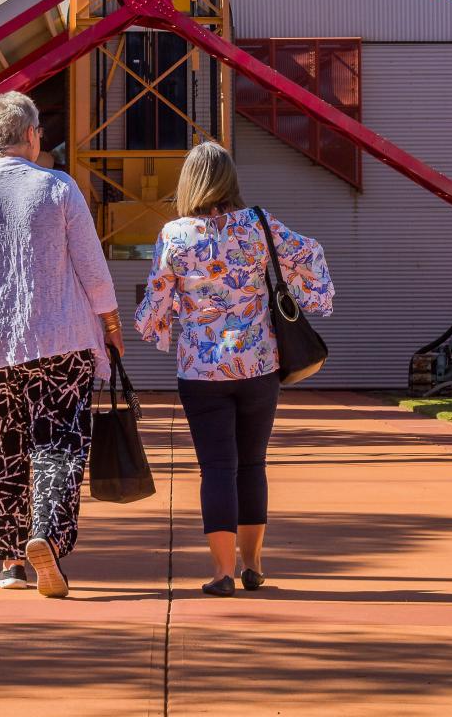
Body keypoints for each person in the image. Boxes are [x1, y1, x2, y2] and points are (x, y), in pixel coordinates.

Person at [0, 91, 123, 598]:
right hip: (58, 339)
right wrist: (110, 322)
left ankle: (10, 561)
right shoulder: (58, 187)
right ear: (35, 135)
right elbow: (91, 265)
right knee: (58, 442)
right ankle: (47, 536)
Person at [135, 141, 333, 597]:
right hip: (260, 364)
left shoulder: (175, 235)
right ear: (230, 180)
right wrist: (307, 297)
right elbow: (309, 255)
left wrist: (156, 321)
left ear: (189, 182)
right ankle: (254, 565)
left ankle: (223, 572)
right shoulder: (258, 224)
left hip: (201, 372)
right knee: (252, 464)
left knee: (217, 468)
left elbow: (157, 299)